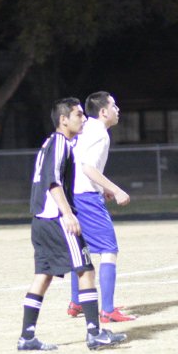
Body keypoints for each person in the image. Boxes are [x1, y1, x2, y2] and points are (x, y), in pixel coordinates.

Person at [18, 97, 128, 351]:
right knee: (86, 271)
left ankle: (27, 337)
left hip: (40, 221)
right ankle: (94, 333)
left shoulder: (52, 143)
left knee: (43, 277)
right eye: (79, 115)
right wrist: (68, 214)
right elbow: (53, 182)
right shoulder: (59, 144)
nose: (83, 119)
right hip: (56, 219)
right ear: (63, 119)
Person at [66, 91, 135, 323]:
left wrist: (100, 186)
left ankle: (77, 302)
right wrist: (116, 190)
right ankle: (107, 309)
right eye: (114, 106)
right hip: (85, 198)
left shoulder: (87, 129)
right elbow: (87, 167)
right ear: (103, 111)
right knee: (109, 250)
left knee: (82, 249)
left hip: (73, 195)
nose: (118, 110)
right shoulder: (99, 133)